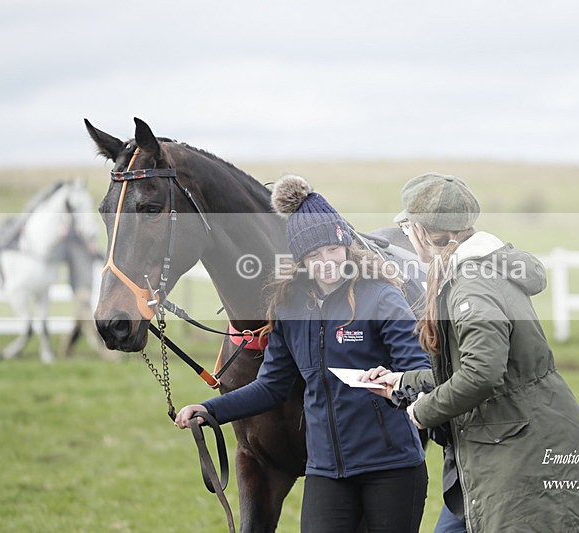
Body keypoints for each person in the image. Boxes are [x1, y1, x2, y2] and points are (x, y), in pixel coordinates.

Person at [361, 173, 579, 532]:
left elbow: (481, 373)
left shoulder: (472, 284)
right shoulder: (466, 272)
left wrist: (422, 412)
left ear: (422, 231)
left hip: (517, 449)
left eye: (407, 227)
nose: (406, 236)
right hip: (504, 441)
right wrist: (403, 382)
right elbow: (464, 366)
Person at [175, 174, 430, 533]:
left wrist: (394, 384)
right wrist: (210, 409)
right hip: (326, 471)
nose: (326, 261)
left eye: (332, 249)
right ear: (300, 258)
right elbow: (271, 386)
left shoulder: (381, 297)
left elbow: (421, 370)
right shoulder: (288, 308)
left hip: (390, 467)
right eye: (314, 253)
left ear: (345, 246)